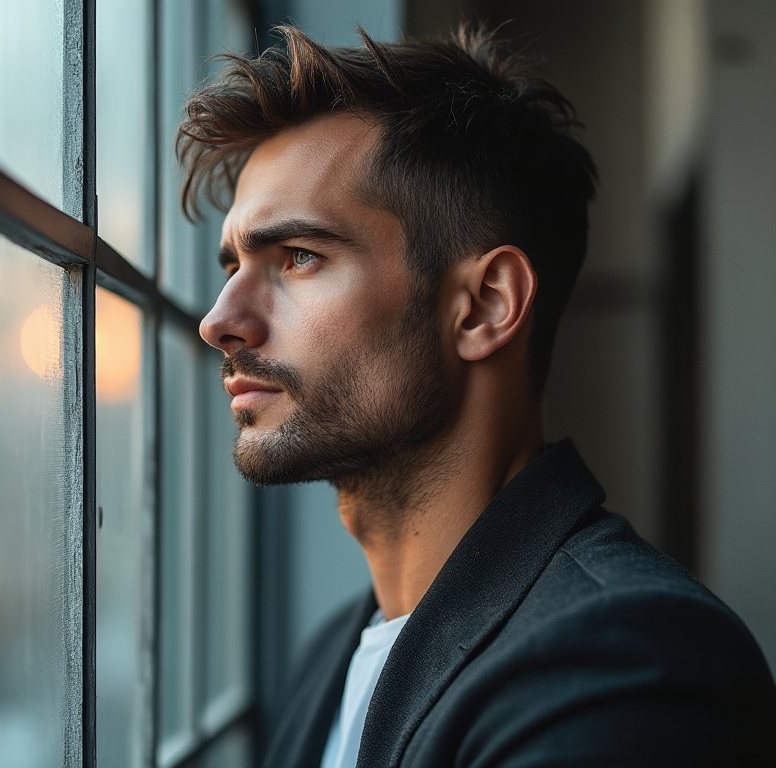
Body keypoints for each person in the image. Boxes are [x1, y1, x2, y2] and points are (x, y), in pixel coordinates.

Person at [177, 23, 776, 768]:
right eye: (232, 263)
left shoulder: (625, 664)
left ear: (486, 305)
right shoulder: (331, 654)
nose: (218, 321)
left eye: (298, 257)